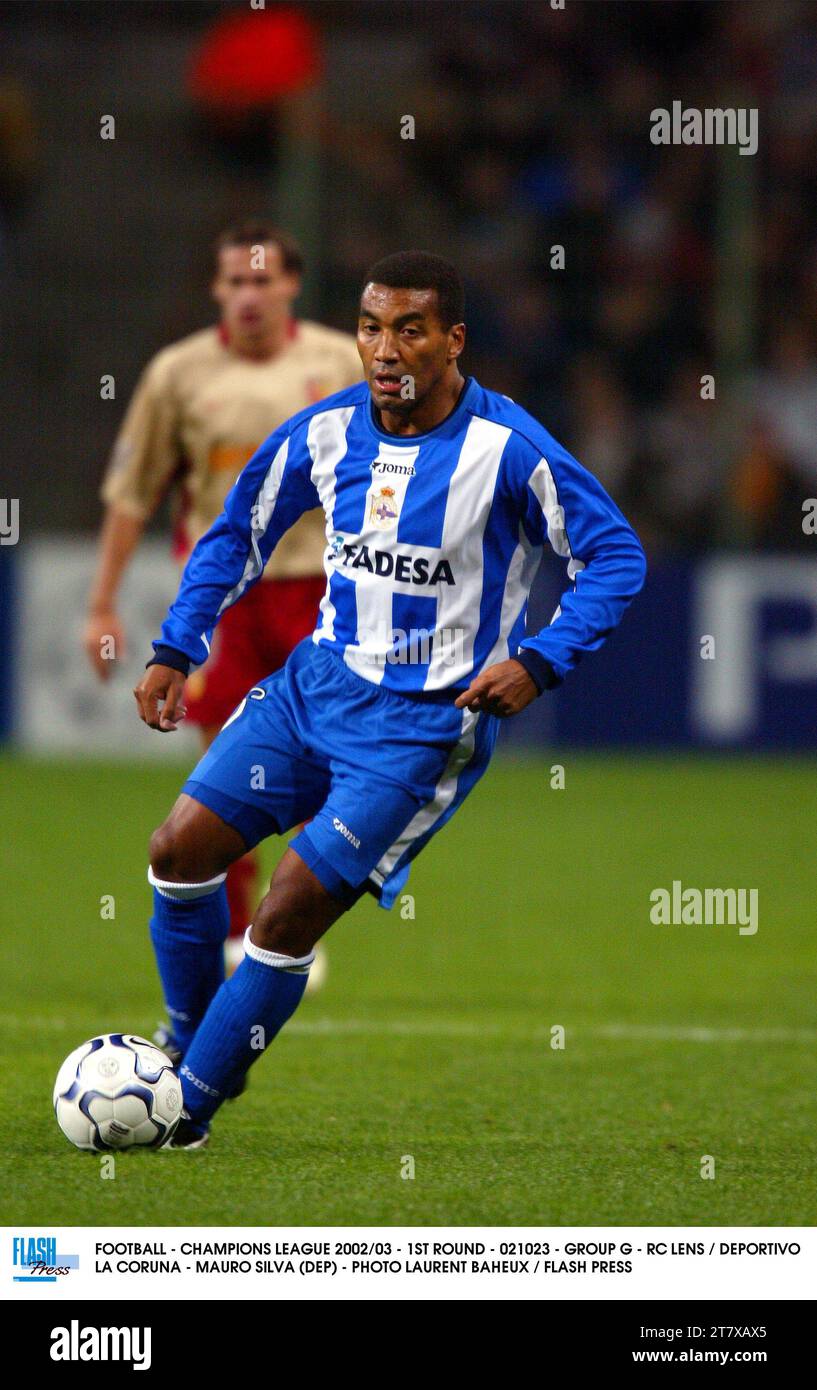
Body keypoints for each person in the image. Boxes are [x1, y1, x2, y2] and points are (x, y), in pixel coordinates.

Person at [133, 251, 647, 1148]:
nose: (383, 348)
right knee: (178, 852)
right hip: (313, 690)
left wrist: (541, 659)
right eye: (371, 327)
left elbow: (616, 556)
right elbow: (233, 534)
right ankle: (188, 1043)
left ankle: (182, 1112)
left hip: (420, 730)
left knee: (286, 907)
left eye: (409, 329)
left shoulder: (509, 451)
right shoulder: (325, 432)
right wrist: (178, 645)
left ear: (453, 341)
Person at [85, 221, 361, 983]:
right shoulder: (177, 374)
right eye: (234, 280)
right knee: (225, 769)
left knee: (333, 766)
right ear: (217, 289)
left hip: (326, 594)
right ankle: (240, 933)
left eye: (262, 279)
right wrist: (102, 604)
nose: (248, 294)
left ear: (290, 286)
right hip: (228, 599)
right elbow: (132, 493)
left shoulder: (340, 361)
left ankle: (294, 917)